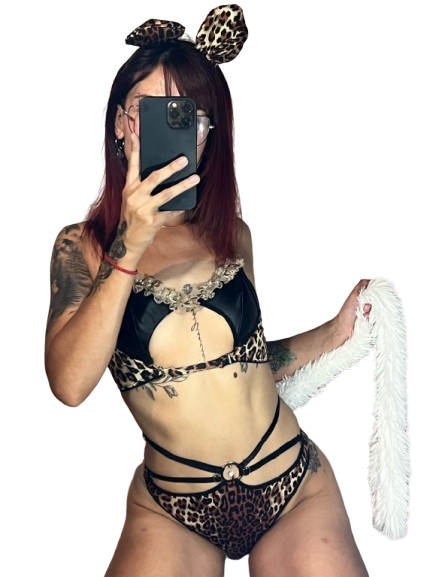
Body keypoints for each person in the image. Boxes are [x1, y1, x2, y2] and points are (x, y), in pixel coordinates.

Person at [44, 5, 371, 576]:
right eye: (150, 111)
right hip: (172, 510)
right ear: (120, 123)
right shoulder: (83, 246)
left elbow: (242, 367)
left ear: (207, 132)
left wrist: (335, 333)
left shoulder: (230, 233)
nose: (170, 128)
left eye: (187, 116)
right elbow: (69, 385)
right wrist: (131, 241)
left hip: (293, 488)